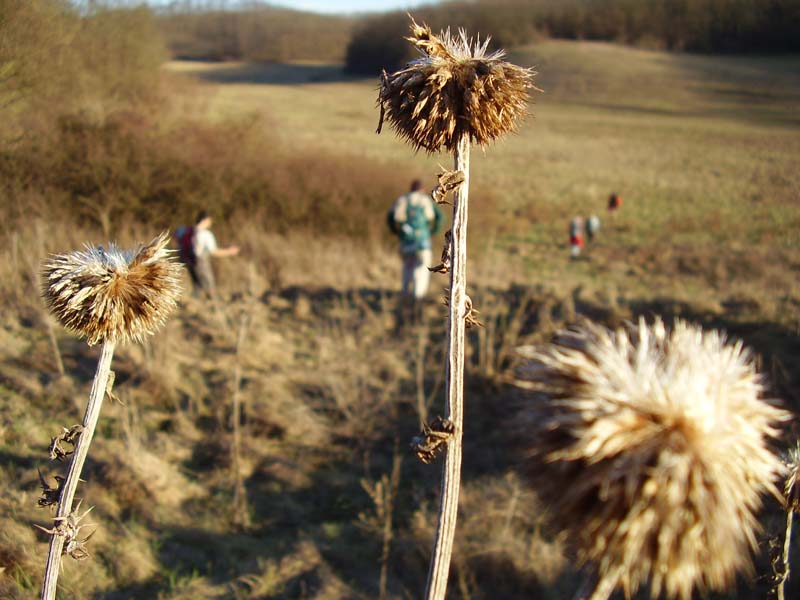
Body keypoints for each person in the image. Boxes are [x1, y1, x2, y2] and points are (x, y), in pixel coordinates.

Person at [388, 179, 443, 311]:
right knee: (422, 271)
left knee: (407, 270)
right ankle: (417, 301)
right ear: (422, 189)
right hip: (422, 245)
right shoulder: (426, 200)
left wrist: (397, 233)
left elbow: (390, 217)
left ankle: (405, 298)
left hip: (406, 244)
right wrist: (432, 232)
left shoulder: (403, 200)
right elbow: (440, 217)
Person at [177, 211, 240, 298]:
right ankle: (213, 305)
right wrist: (230, 251)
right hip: (201, 261)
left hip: (188, 261)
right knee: (209, 284)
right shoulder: (206, 234)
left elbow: (176, 238)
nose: (210, 223)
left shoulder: (187, 230)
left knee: (197, 285)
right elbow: (214, 251)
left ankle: (194, 304)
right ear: (204, 220)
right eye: (210, 221)